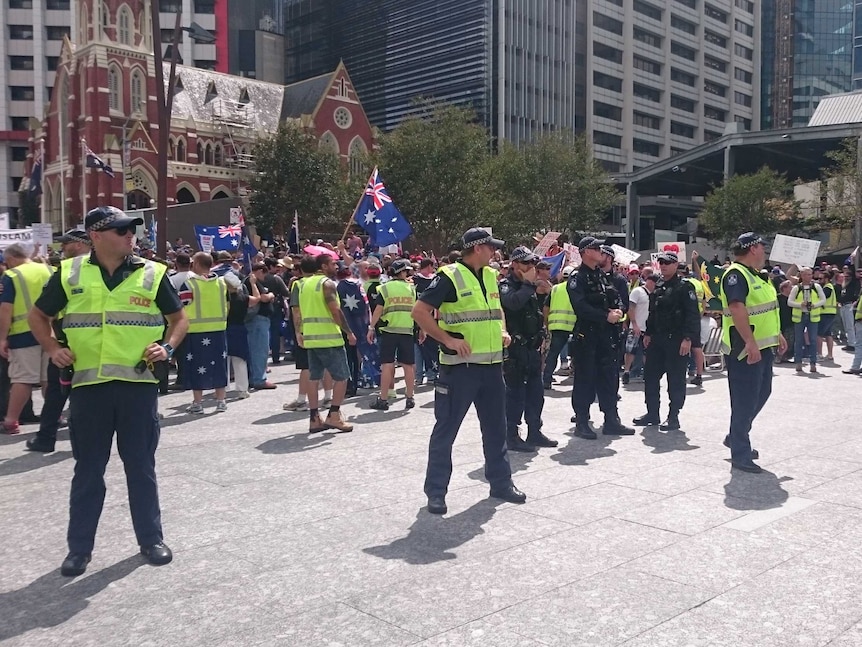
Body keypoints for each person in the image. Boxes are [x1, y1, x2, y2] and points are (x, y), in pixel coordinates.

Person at [28, 205, 188, 576]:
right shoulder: (69, 273)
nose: (129, 235)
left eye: (131, 229)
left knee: (141, 467)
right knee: (87, 470)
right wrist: (53, 349)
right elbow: (39, 316)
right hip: (88, 388)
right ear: (96, 237)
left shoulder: (151, 272)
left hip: (138, 387)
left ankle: (151, 539)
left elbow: (178, 318)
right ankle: (79, 549)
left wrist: (168, 348)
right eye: (120, 230)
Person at [412, 228, 526, 515]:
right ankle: (436, 492)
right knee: (446, 431)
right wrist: (448, 339)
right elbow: (420, 312)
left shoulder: (490, 275)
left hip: (490, 367)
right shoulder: (449, 276)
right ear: (478, 248)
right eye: (491, 248)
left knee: (496, 429)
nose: (496, 253)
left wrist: (502, 330)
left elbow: (496, 309)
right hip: (459, 370)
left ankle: (501, 483)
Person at [719, 232, 786, 473]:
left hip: (762, 345)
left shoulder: (758, 276)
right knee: (745, 400)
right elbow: (737, 309)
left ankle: (735, 435)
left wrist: (776, 334)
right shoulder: (736, 275)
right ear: (754, 248)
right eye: (762, 247)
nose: (765, 252)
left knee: (762, 392)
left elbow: (764, 310)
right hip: (744, 348)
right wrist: (750, 342)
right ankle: (740, 452)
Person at [26, 229, 91, 452]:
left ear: (82, 245)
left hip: (73, 342)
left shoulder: (67, 272)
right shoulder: (69, 271)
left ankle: (47, 437)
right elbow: (42, 314)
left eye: (67, 244)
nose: (62, 248)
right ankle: (69, 439)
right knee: (69, 393)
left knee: (61, 394)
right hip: (70, 342)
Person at [568, 237, 635, 439]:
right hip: (588, 335)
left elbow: (618, 299)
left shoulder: (603, 276)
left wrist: (619, 311)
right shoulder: (577, 277)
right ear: (586, 252)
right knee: (585, 378)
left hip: (607, 336)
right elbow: (580, 306)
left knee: (609, 378)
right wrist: (605, 315)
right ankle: (582, 420)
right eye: (597, 248)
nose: (601, 252)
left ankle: (611, 420)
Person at [632, 251, 700, 431]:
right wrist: (648, 333)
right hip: (657, 340)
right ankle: (652, 413)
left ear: (676, 265)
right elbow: (653, 312)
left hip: (677, 340)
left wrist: (687, 339)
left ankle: (673, 416)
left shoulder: (685, 287)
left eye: (668, 263)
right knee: (650, 377)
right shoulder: (658, 285)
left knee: (676, 380)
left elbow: (692, 315)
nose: (663, 265)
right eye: (661, 262)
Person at [500, 246, 558, 451]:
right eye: (526, 263)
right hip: (515, 350)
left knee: (536, 393)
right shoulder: (506, 285)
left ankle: (534, 431)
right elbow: (512, 303)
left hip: (532, 349)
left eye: (533, 263)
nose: (531, 267)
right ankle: (512, 435)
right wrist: (528, 285)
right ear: (514, 265)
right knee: (514, 395)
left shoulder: (532, 287)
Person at [296, 253, 356, 433]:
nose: (336, 266)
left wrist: (300, 332)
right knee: (342, 377)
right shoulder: (327, 284)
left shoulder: (303, 284)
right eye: (332, 264)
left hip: (311, 339)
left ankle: (314, 418)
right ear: (322, 266)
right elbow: (335, 310)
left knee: (314, 378)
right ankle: (334, 415)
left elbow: (298, 312)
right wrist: (349, 332)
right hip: (330, 338)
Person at [0, 243, 53, 434]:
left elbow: (6, 309)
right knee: (49, 379)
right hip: (51, 332)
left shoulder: (12, 276)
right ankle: (53, 417)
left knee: (22, 378)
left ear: (12, 258)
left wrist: (2, 338)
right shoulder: (50, 269)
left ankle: (11, 421)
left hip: (23, 333)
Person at [182, 252, 229, 413]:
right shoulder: (222, 283)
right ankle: (221, 401)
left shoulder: (190, 284)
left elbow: (181, 304)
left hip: (196, 331)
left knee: (198, 367)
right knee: (219, 366)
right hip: (219, 329)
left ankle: (198, 403)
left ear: (196, 263)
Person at [368, 259, 417, 410]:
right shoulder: (411, 289)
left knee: (387, 365)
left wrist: (371, 328)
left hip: (389, 331)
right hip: (407, 331)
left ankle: (383, 399)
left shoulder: (384, 288)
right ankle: (410, 397)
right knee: (408, 366)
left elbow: (378, 310)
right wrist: (422, 330)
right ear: (401, 272)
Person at [243, 263, 278, 390]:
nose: (265, 274)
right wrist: (271, 295)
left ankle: (255, 378)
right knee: (259, 350)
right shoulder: (252, 281)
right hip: (257, 320)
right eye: (263, 271)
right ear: (257, 271)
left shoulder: (254, 281)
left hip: (259, 320)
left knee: (257, 350)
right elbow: (262, 298)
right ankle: (259, 379)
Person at [543, 265, 577, 389]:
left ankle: (546, 380)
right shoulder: (576, 288)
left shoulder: (555, 288)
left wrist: (546, 323)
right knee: (578, 353)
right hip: (573, 325)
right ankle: (579, 378)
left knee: (553, 354)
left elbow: (546, 307)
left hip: (557, 326)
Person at [788, 266, 825, 374]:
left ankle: (813, 363)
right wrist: (800, 305)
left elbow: (823, 300)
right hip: (800, 317)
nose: (809, 277)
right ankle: (798, 362)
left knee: (813, 340)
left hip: (812, 317)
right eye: (806, 274)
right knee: (798, 340)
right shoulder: (796, 288)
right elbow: (789, 302)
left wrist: (814, 305)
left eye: (810, 274)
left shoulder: (816, 287)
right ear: (802, 276)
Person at [622, 273, 656, 385]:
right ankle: (626, 372)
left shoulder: (654, 294)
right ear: (650, 281)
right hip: (636, 327)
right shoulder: (638, 292)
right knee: (630, 350)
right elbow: (631, 309)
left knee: (648, 352)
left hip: (648, 329)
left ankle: (647, 373)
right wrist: (634, 324)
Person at [838, 265, 860, 351]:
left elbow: (854, 277)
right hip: (843, 305)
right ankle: (850, 342)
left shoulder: (853, 283)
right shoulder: (844, 285)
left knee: (850, 326)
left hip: (849, 305)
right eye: (845, 276)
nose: (846, 278)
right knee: (846, 326)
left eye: (848, 276)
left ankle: (852, 344)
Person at [817, 270, 837, 361]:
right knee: (828, 334)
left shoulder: (827, 287)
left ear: (827, 279)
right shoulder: (830, 287)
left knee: (819, 334)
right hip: (830, 313)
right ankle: (830, 355)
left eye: (821, 278)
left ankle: (819, 354)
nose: (819, 280)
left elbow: (822, 297)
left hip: (825, 313)